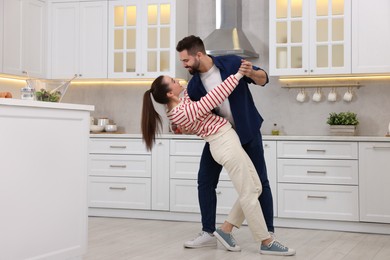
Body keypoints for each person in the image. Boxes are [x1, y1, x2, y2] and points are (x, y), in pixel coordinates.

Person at [141, 64, 295, 256]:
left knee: (256, 187)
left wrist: (199, 68)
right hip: (223, 142)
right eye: (173, 81)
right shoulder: (181, 112)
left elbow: (189, 90)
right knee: (248, 191)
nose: (177, 80)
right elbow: (213, 97)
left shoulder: (180, 104)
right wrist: (237, 74)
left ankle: (226, 229)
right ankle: (266, 241)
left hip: (227, 139)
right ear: (170, 93)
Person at [176, 35, 292, 254]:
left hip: (247, 131)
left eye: (186, 60)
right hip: (220, 136)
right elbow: (192, 115)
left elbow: (263, 79)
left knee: (260, 182)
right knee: (205, 181)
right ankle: (208, 232)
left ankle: (268, 233)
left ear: (198, 55)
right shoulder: (193, 86)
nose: (184, 65)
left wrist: (251, 73)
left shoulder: (230, 63)